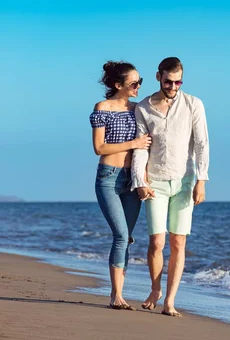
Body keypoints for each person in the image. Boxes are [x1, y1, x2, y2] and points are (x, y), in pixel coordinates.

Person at [131, 57, 209, 317]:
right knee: (156, 242)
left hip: (185, 181)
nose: (173, 86)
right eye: (168, 81)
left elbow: (201, 144)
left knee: (178, 242)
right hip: (155, 182)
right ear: (158, 77)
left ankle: (170, 301)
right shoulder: (143, 108)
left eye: (178, 82)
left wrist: (201, 181)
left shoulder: (193, 104)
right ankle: (155, 289)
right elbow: (141, 148)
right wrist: (140, 182)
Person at [90, 61, 152, 310]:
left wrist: (143, 181)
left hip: (132, 181)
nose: (138, 86)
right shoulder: (102, 108)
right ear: (118, 85)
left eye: (140, 82)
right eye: (133, 83)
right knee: (121, 235)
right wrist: (134, 143)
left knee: (126, 239)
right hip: (108, 177)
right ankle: (115, 296)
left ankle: (119, 295)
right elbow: (99, 148)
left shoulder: (139, 109)